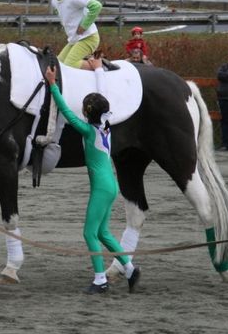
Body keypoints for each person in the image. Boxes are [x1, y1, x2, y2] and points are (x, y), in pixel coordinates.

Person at [44, 60, 139, 294]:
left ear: (86, 112)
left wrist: (53, 85)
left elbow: (66, 112)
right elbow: (103, 97)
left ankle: (100, 280)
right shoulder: (107, 123)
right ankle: (129, 269)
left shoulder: (88, 130)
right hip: (110, 185)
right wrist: (97, 70)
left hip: (102, 188)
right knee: (102, 232)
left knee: (89, 233)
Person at [44, 0, 102, 70]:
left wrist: (84, 25)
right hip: (75, 39)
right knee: (58, 66)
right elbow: (63, 12)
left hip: (89, 38)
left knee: (69, 66)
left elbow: (96, 6)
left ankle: (98, 67)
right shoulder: (54, 1)